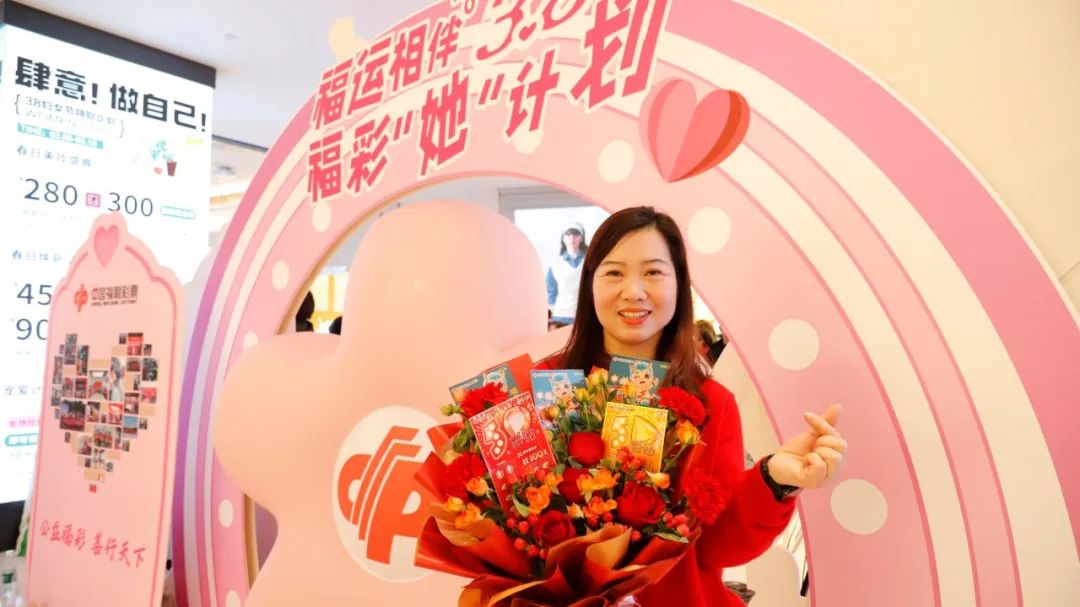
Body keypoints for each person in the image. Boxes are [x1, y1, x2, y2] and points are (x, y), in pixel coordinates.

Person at [537, 206, 847, 607]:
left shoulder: (712, 403)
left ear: (679, 285)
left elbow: (719, 547)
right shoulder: (550, 387)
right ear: (589, 284)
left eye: (653, 272)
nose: (634, 291)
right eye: (614, 273)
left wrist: (772, 479)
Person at [545, 221, 588, 326]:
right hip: (560, 316)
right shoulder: (555, 264)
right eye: (568, 235)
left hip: (584, 316)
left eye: (576, 234)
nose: (572, 238)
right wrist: (550, 314)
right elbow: (551, 292)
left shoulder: (590, 262)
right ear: (563, 239)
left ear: (581, 238)